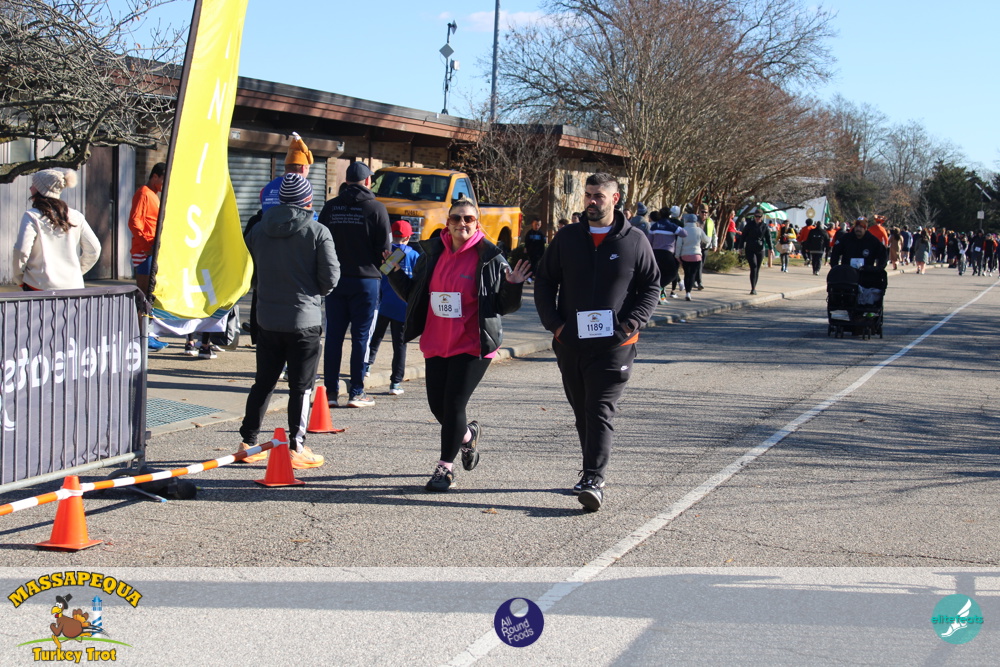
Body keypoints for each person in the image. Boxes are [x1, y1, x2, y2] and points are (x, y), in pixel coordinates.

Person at [534, 173, 659, 512]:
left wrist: (629, 324)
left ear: (615, 199)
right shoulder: (568, 238)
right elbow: (544, 281)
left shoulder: (634, 240)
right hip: (571, 342)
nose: (591, 201)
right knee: (582, 411)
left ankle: (594, 478)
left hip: (615, 345)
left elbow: (651, 287)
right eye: (588, 195)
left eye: (599, 196)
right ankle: (590, 469)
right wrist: (555, 326)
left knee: (599, 408)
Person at [388, 198, 529, 492]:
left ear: (477, 224)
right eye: (456, 218)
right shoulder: (431, 254)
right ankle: (467, 435)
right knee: (437, 406)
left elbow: (503, 306)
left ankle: (445, 468)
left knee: (453, 405)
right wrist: (392, 270)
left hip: (473, 343)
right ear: (448, 222)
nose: (462, 224)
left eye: (468, 219)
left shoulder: (490, 258)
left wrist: (513, 285)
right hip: (437, 340)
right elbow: (414, 294)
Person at [238, 173, 340, 468]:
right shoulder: (318, 231)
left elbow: (248, 273)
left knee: (263, 383)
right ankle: (297, 446)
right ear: (308, 200)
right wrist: (314, 294)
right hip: (304, 319)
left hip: (267, 318)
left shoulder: (258, 230)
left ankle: (248, 441)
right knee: (301, 387)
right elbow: (330, 277)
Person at [319, 161, 391, 408]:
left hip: (335, 280)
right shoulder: (376, 208)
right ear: (368, 181)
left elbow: (320, 243)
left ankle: (330, 393)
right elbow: (385, 252)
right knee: (361, 337)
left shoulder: (330, 207)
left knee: (334, 336)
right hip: (366, 280)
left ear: (346, 180)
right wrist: (389, 275)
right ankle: (356, 391)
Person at [14, 169, 101, 291]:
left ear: (41, 189)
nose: (30, 188)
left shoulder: (32, 216)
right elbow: (94, 249)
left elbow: (22, 251)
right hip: (73, 287)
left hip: (39, 286)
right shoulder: (76, 216)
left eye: (33, 184)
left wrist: (19, 278)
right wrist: (76, 272)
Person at [366, 220, 419, 395]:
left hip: (384, 304)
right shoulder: (414, 255)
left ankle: (366, 366)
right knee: (400, 346)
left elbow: (382, 275)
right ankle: (395, 383)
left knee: (376, 337)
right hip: (403, 307)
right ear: (409, 237)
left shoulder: (389, 253)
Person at [128, 161, 168, 350]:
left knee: (149, 293)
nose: (165, 184)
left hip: (150, 249)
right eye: (163, 179)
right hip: (144, 251)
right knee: (144, 294)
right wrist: (147, 245)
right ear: (155, 176)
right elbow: (134, 221)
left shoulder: (153, 195)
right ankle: (142, 334)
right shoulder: (144, 193)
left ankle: (147, 332)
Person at [647, 207, 687, 301]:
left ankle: (660, 297)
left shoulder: (655, 226)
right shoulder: (671, 226)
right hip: (667, 253)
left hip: (655, 253)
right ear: (669, 215)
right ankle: (658, 288)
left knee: (659, 274)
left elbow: (649, 240)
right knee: (672, 273)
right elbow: (684, 233)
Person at [675, 206, 708, 301]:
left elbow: (678, 245)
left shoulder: (683, 230)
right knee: (693, 274)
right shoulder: (699, 230)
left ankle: (687, 291)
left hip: (685, 255)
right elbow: (706, 240)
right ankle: (689, 292)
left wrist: (677, 255)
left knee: (687, 274)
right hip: (696, 255)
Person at [737, 209, 772, 294]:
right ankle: (753, 288)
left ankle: (754, 287)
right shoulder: (749, 225)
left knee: (757, 269)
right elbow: (743, 236)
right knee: (753, 266)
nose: (757, 218)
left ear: (762, 217)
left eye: (759, 216)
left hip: (760, 249)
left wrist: (771, 248)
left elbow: (768, 238)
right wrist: (740, 247)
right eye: (756, 216)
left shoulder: (764, 226)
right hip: (750, 248)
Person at [522, 217, 546, 283]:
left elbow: (543, 244)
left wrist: (542, 253)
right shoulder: (529, 233)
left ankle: (531, 277)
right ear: (532, 224)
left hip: (538, 253)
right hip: (530, 252)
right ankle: (530, 276)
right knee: (530, 264)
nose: (537, 226)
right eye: (535, 224)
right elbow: (527, 242)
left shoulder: (541, 234)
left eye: (538, 225)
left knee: (535, 264)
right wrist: (525, 248)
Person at [697, 204, 715, 289]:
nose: (704, 214)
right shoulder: (695, 220)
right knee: (698, 264)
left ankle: (696, 280)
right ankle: (699, 282)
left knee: (701, 264)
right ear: (699, 211)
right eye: (702, 212)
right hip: (696, 246)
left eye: (706, 212)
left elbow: (714, 233)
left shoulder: (710, 221)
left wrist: (714, 244)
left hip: (705, 246)